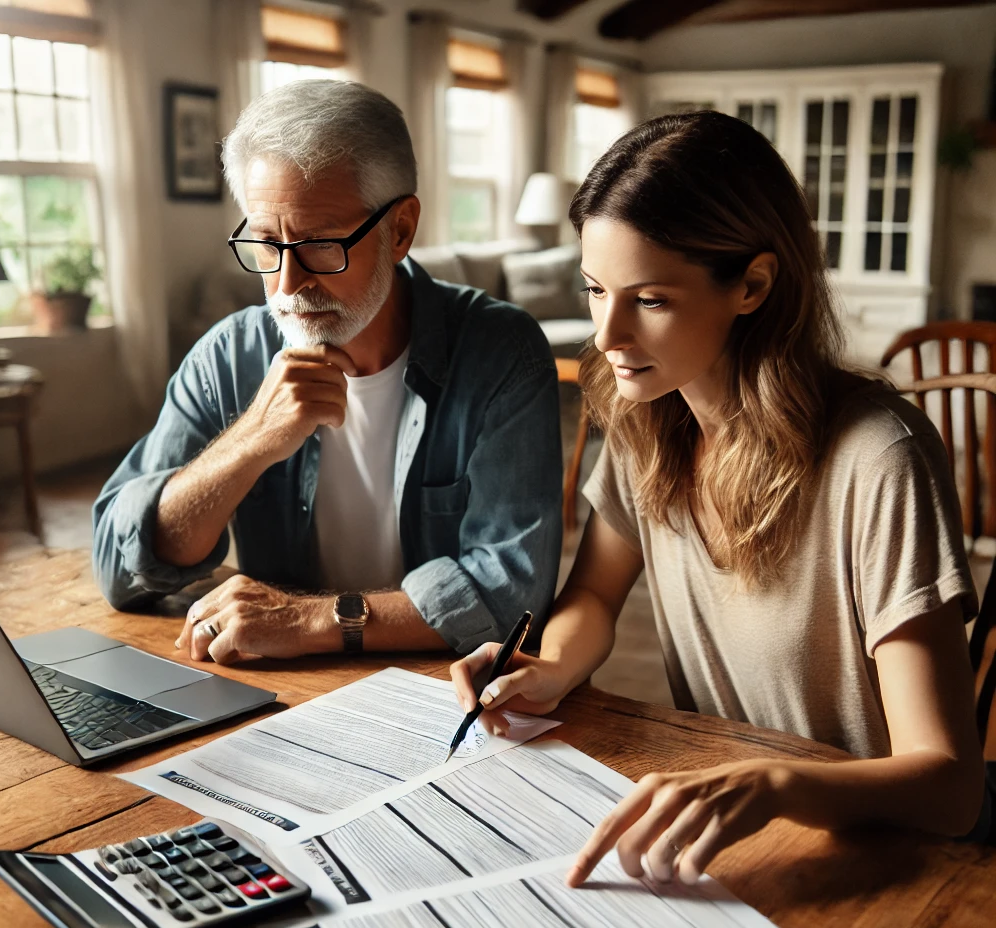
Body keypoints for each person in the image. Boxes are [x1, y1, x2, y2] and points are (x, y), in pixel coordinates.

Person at [452, 111, 984, 887]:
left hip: (886, 855)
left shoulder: (879, 458)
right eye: (596, 290)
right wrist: (547, 668)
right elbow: (595, 596)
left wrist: (776, 782)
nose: (607, 333)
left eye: (652, 299)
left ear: (754, 286)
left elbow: (950, 787)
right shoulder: (649, 422)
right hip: (730, 836)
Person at [92, 80, 562, 663]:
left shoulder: (502, 353)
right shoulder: (228, 357)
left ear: (401, 230)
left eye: (320, 244)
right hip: (288, 689)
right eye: (266, 243)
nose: (288, 284)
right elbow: (118, 567)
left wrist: (310, 620)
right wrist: (251, 441)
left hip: (455, 693)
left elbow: (512, 593)